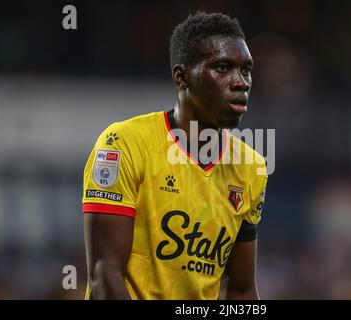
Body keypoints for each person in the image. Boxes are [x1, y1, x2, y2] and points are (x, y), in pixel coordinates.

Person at [82, 11, 268, 300]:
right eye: (222, 68)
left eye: (246, 69)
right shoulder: (124, 143)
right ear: (182, 77)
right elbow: (104, 274)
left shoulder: (251, 167)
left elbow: (242, 289)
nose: (241, 82)